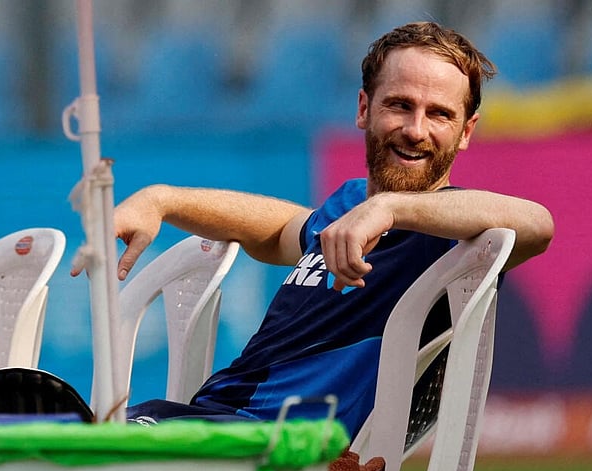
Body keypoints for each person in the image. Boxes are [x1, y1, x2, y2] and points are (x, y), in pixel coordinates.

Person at [76, 21, 554, 438]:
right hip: (212, 421)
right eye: (400, 105)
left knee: (66, 457)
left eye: (439, 114)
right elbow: (279, 229)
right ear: (364, 109)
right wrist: (162, 200)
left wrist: (391, 208)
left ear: (466, 132)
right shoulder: (348, 207)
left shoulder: (449, 235)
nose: (415, 129)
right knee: (26, 419)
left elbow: (537, 224)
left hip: (275, 447)